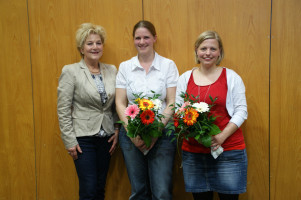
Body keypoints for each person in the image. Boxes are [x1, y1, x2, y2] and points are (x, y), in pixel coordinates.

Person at [176, 31, 248, 200]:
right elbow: (179, 111)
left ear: (219, 52)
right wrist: (195, 133)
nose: (208, 53)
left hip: (228, 151)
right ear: (196, 50)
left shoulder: (231, 77)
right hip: (194, 152)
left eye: (212, 49)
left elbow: (241, 111)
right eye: (203, 48)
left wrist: (221, 136)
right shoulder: (185, 78)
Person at [115, 20, 179, 200]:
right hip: (131, 133)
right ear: (133, 40)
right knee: (139, 191)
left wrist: (157, 130)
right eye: (138, 38)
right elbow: (120, 103)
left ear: (154, 39)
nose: (142, 42)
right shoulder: (125, 67)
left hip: (163, 133)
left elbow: (172, 101)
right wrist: (131, 133)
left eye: (146, 37)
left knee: (162, 192)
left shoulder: (168, 65)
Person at [57, 23, 120, 200]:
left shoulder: (112, 70)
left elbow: (116, 104)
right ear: (81, 48)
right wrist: (69, 140)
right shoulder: (71, 71)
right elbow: (63, 108)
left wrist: (116, 129)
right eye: (89, 43)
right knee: (89, 188)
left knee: (100, 187)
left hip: (106, 137)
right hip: (82, 139)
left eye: (98, 43)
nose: (95, 47)